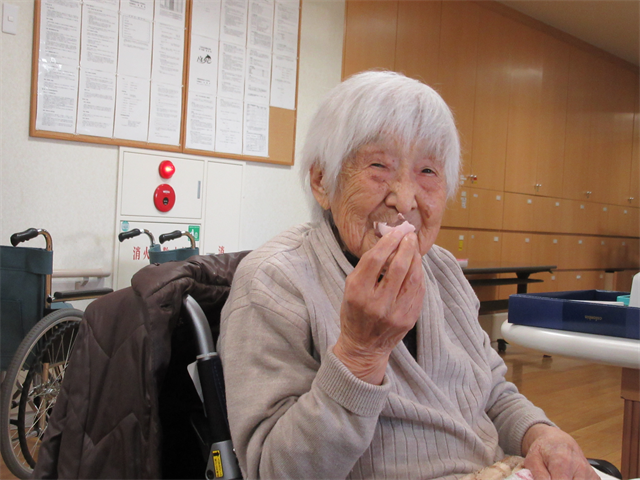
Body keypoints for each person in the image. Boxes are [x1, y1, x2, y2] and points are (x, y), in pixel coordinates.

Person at [218, 71, 598, 480]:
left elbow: (490, 392)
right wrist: (359, 354)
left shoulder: (444, 270)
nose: (405, 199)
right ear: (322, 180)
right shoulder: (274, 281)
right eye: (379, 165)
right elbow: (273, 470)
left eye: (428, 172)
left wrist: (541, 434)